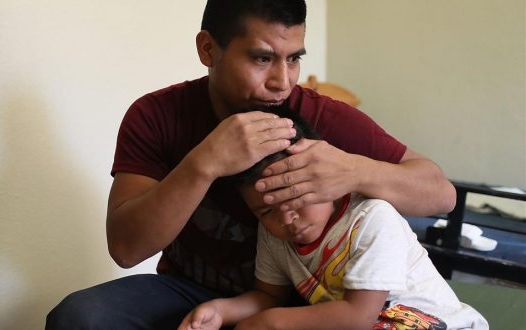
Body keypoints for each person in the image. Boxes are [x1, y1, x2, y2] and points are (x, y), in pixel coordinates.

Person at [46, 0, 456, 328]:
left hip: (308, 297)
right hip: (190, 291)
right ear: (208, 49)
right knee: (82, 317)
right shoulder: (157, 115)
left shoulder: (320, 120)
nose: (283, 81)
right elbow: (125, 248)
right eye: (262, 59)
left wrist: (354, 170)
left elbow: (441, 193)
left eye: (293, 58)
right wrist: (204, 162)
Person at [178, 105, 488, 330]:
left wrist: (272, 323)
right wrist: (220, 311)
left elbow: (358, 316)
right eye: (267, 210)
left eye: (296, 196)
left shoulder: (371, 218)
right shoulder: (274, 234)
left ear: (321, 178)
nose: (287, 217)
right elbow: (267, 296)